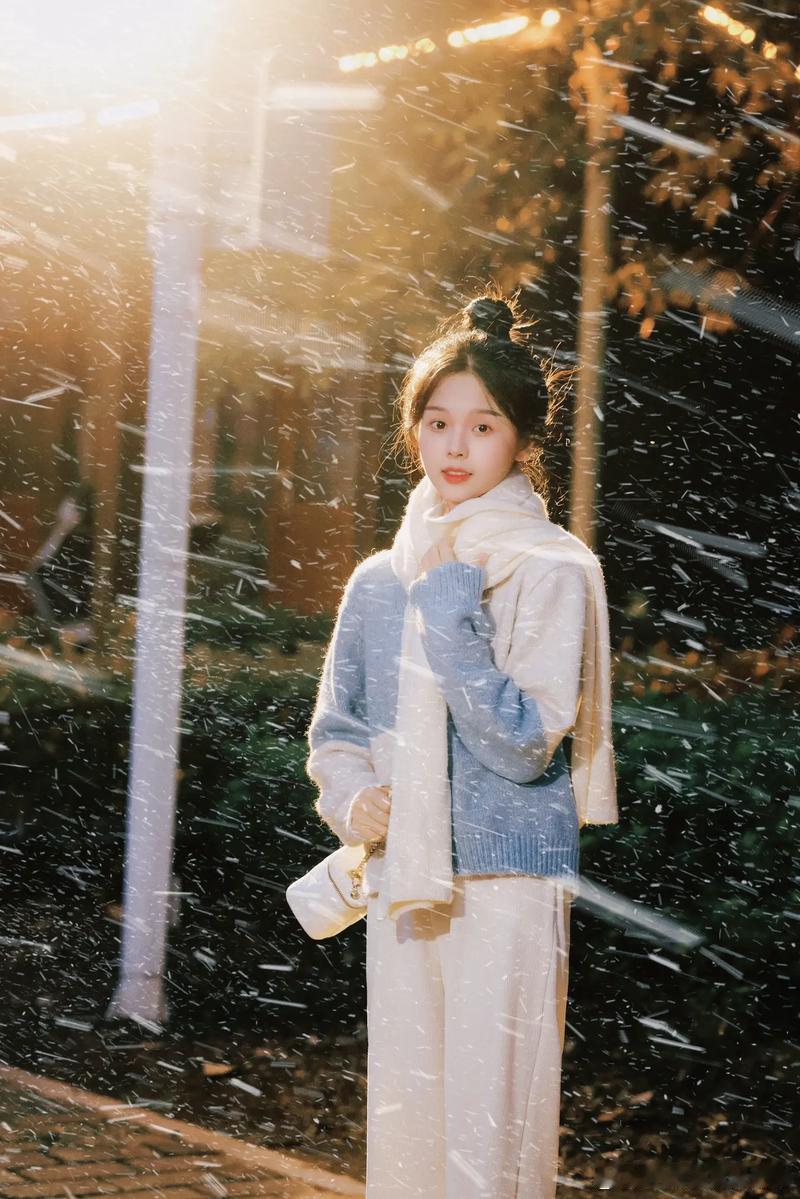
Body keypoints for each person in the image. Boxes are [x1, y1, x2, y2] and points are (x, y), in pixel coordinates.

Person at [305, 289, 619, 1199]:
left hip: (507, 879)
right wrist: (352, 796)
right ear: (414, 432)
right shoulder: (380, 577)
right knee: (409, 1127)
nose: (456, 445)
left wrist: (450, 614)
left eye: (483, 426)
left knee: (492, 1128)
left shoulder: (550, 567)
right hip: (405, 872)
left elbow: (522, 745)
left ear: (520, 440)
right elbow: (337, 730)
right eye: (438, 422)